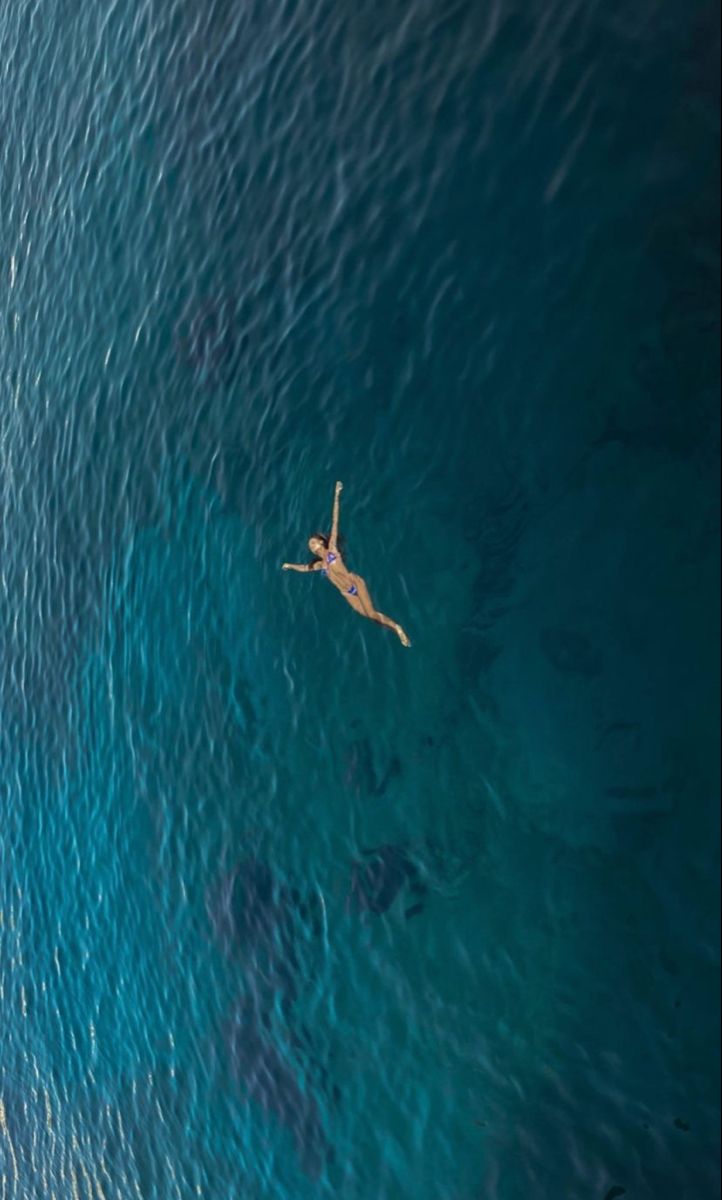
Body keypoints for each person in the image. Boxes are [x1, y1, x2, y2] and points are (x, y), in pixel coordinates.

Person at [281, 482, 411, 647]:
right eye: (310, 546)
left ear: (321, 542)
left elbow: (335, 521)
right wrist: (290, 566)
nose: (311, 546)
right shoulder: (320, 565)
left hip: (355, 582)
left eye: (313, 542)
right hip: (347, 594)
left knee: (371, 613)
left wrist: (336, 495)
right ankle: (389, 626)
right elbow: (305, 568)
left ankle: (398, 628)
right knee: (371, 617)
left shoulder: (333, 549)